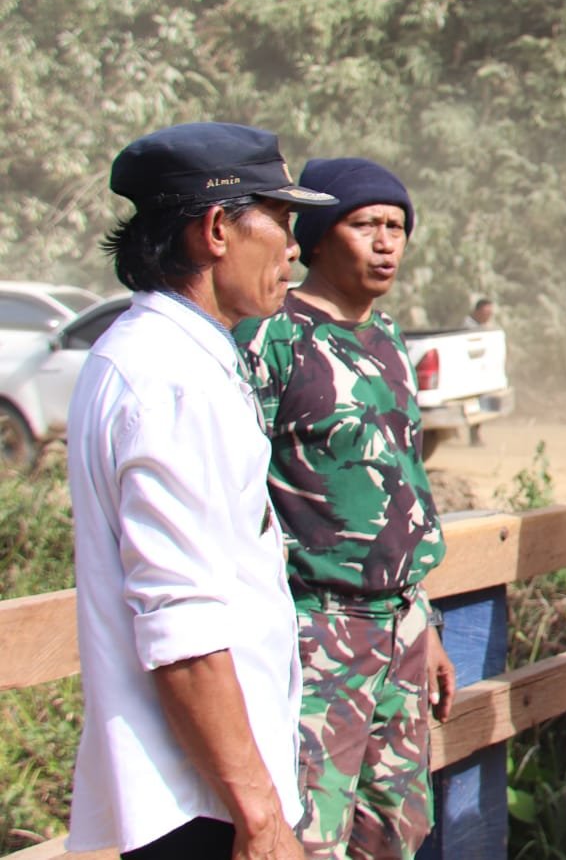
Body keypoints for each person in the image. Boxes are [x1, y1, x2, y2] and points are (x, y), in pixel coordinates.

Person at [67, 122, 336, 859]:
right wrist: (260, 817)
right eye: (280, 222)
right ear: (217, 229)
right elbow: (182, 628)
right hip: (203, 805)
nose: (293, 249)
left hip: (207, 789)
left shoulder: (160, 357)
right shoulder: (170, 383)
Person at [236, 158, 456, 860]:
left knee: (396, 828)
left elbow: (403, 489)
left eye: (397, 226)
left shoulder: (388, 338)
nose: (386, 243)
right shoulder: (271, 339)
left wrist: (425, 621)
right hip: (316, 630)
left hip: (401, 628)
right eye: (365, 225)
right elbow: (238, 493)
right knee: (310, 833)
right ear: (318, 237)